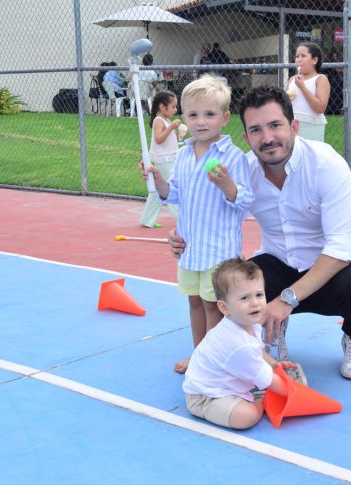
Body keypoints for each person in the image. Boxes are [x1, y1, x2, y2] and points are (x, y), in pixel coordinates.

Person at [161, 85, 351, 381]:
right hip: (277, 263)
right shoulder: (244, 169)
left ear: (294, 126)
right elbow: (208, 207)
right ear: (246, 137)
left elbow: (341, 247)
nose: (267, 138)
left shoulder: (326, 165)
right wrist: (180, 234)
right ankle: (263, 337)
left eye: (275, 125)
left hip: (329, 273)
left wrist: (286, 300)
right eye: (256, 130)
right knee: (234, 284)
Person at [140, 75, 254, 374]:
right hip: (190, 248)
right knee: (194, 302)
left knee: (213, 306)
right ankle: (199, 354)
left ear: (225, 118)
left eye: (209, 114)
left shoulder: (233, 157)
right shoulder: (184, 154)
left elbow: (244, 201)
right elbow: (172, 193)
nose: (200, 121)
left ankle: (213, 361)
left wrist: (227, 184)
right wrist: (157, 178)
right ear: (183, 118)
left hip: (218, 251)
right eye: (192, 114)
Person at [183, 257, 296, 429]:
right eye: (244, 298)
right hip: (206, 396)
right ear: (224, 308)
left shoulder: (248, 325)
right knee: (246, 417)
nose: (255, 303)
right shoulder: (238, 343)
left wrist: (274, 364)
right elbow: (272, 381)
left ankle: (252, 398)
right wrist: (295, 392)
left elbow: (258, 353)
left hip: (223, 386)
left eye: (259, 294)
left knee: (262, 384)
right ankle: (259, 405)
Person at [139, 90, 185, 229]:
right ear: (162, 107)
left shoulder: (166, 120)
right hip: (164, 161)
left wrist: (180, 134)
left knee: (157, 191)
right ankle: (182, 221)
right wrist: (171, 127)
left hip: (169, 159)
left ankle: (147, 219)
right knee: (171, 189)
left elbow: (168, 141)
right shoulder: (159, 121)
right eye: (173, 107)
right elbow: (159, 139)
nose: (175, 110)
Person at [285, 41, 330, 142]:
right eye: (297, 56)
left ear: (314, 60)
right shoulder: (292, 80)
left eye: (303, 56)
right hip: (292, 125)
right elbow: (285, 105)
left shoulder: (320, 79)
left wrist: (302, 87)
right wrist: (286, 98)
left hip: (312, 127)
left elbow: (320, 108)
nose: (299, 59)